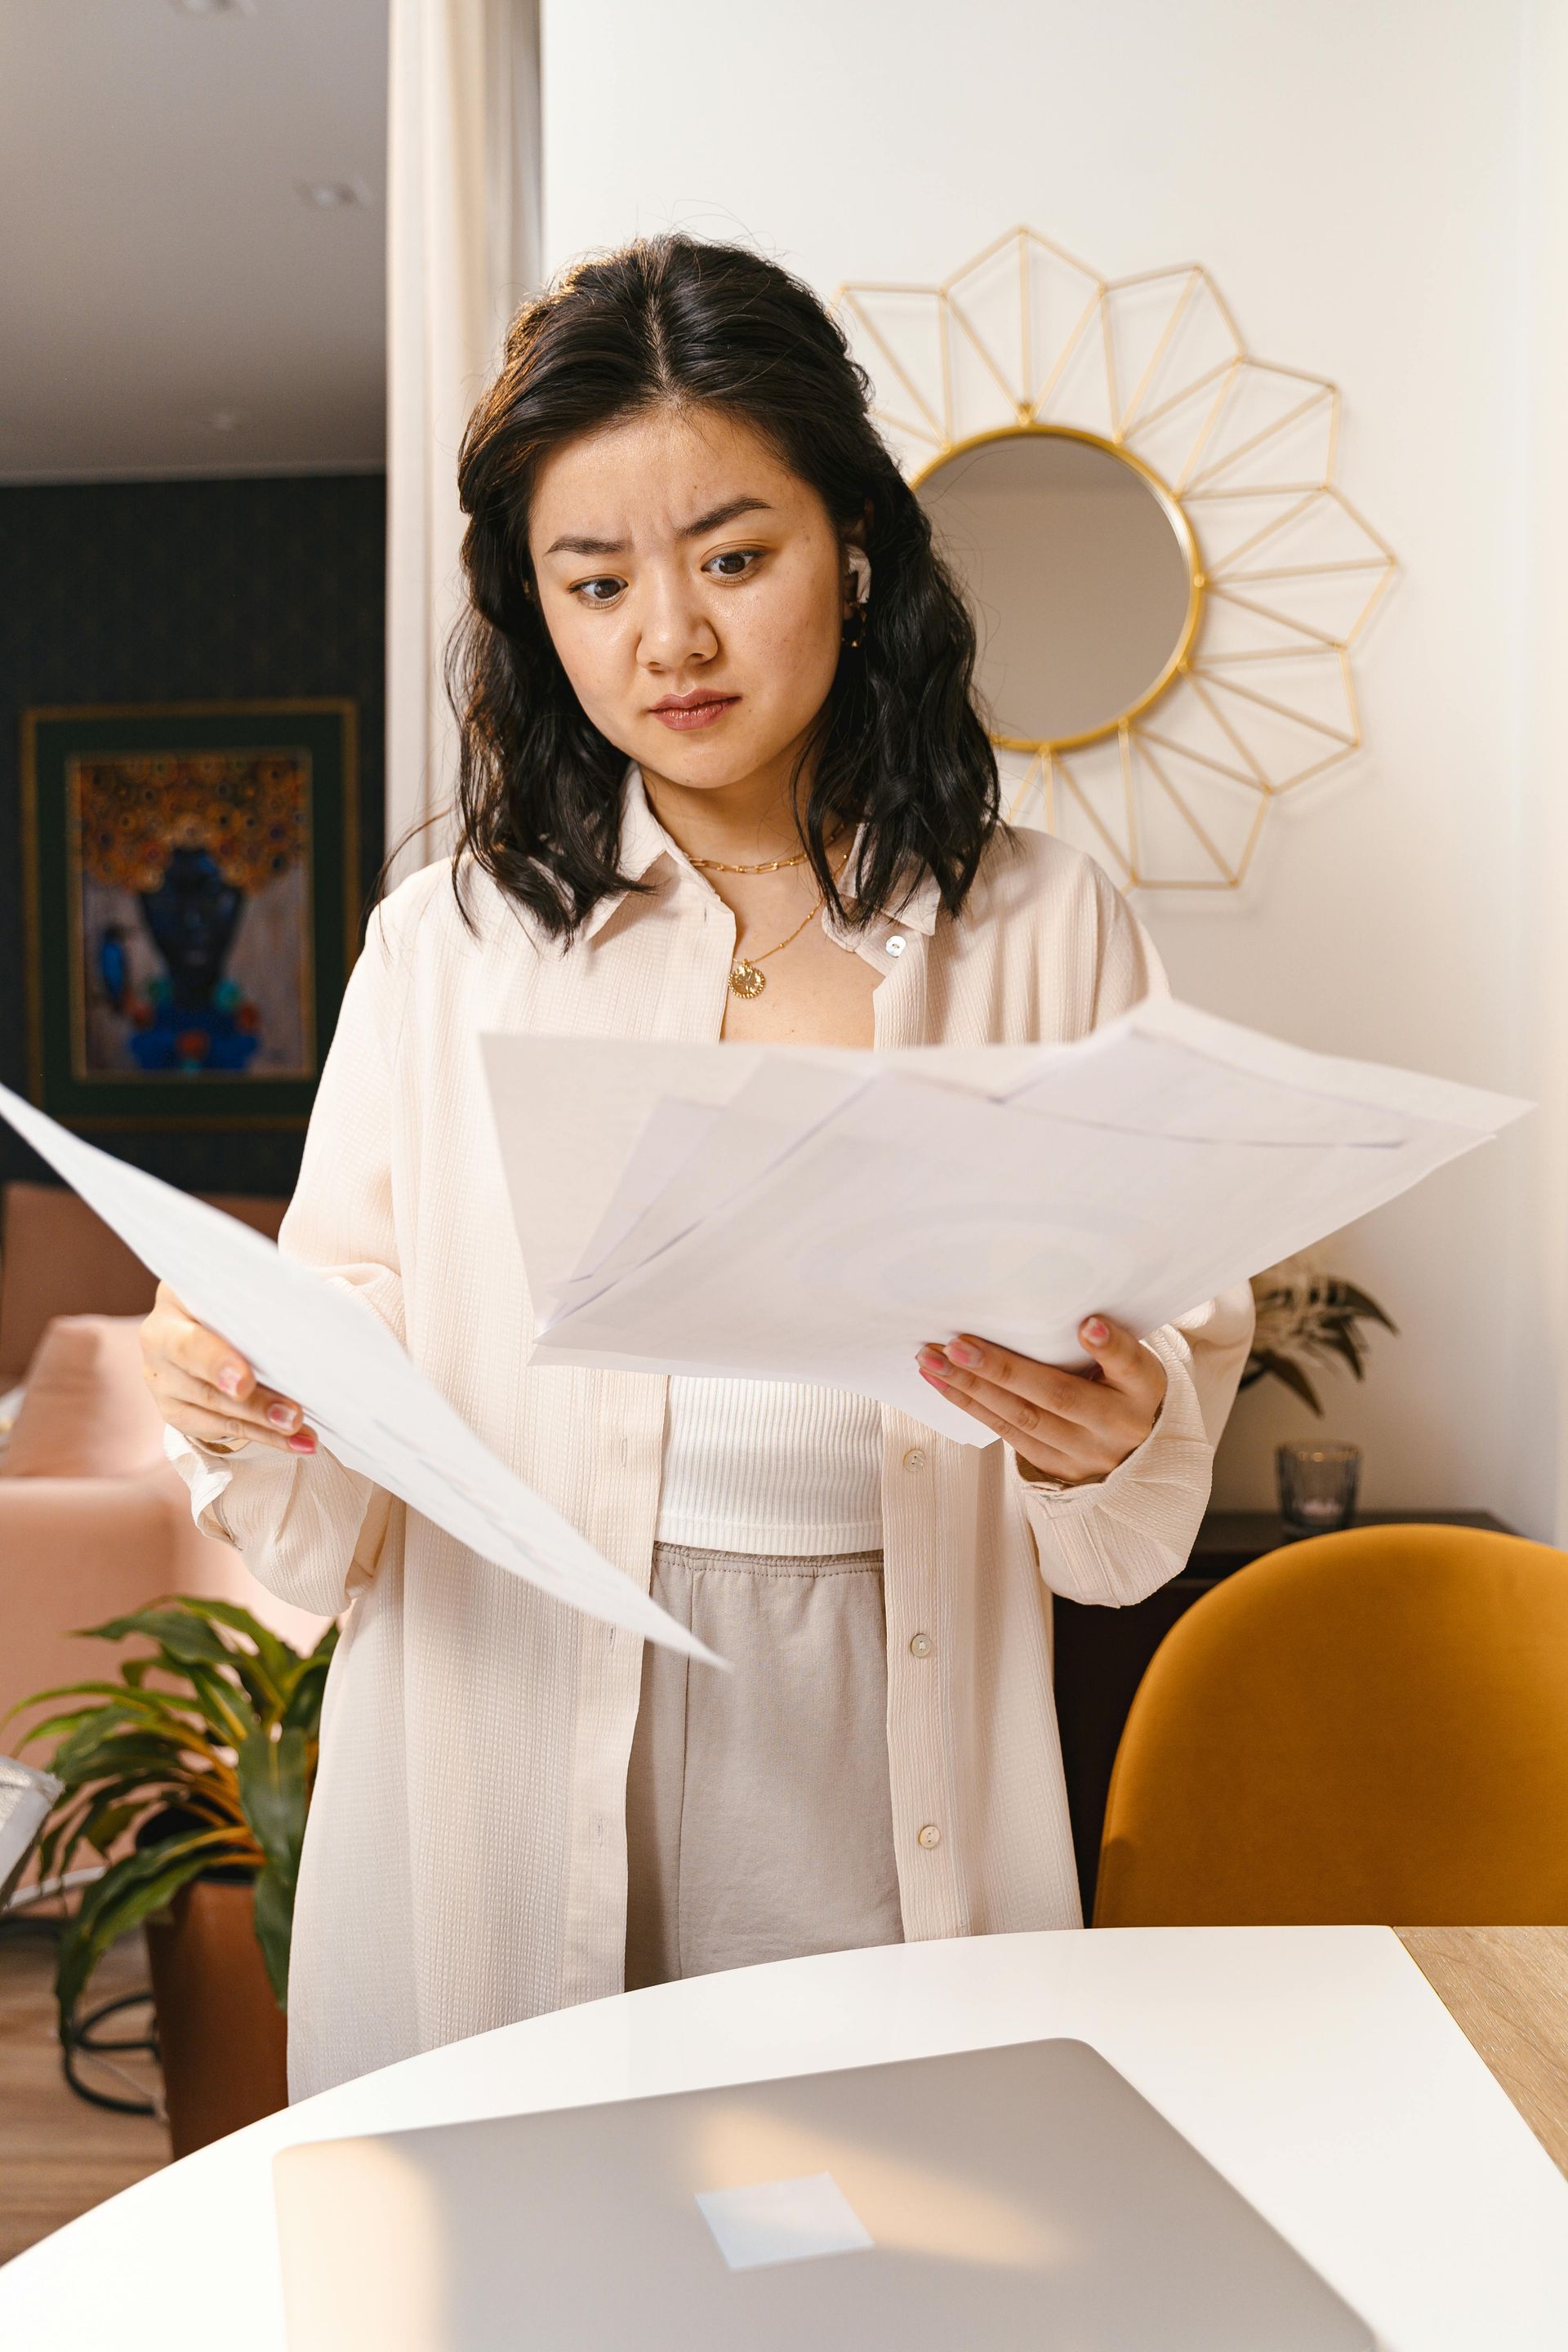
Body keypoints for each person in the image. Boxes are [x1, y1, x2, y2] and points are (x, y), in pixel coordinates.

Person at [140, 234, 1253, 2100]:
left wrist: (1115, 1430)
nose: (671, 638)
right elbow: (352, 1384)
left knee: (897, 2234)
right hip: (512, 1735)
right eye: (597, 581)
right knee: (532, 2247)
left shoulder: (1051, 926)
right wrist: (247, 1384)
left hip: (876, 1734)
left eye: (735, 558)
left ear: (859, 553)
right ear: (536, 612)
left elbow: (1139, 1482)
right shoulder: (449, 949)